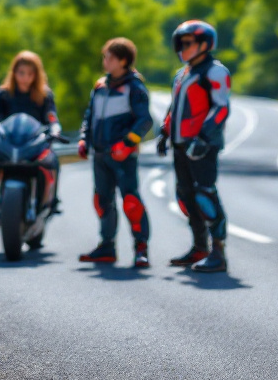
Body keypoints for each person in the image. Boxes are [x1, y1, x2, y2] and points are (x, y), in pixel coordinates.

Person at [156, 20, 232, 273]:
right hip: (180, 146)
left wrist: (204, 138)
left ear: (204, 44)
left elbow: (221, 109)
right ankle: (200, 248)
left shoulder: (214, 71)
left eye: (187, 43)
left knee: (205, 195)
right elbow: (174, 108)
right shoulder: (182, 73)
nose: (182, 47)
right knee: (186, 197)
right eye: (181, 43)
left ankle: (218, 253)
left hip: (202, 147)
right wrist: (164, 133)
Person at [78, 38, 153, 268]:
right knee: (103, 200)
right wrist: (84, 138)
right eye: (105, 57)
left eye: (109, 57)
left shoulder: (134, 86)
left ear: (123, 60)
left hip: (123, 157)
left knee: (130, 200)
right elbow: (90, 116)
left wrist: (128, 143)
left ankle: (141, 249)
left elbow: (145, 120)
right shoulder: (100, 85)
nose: (105, 61)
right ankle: (106, 247)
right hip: (100, 154)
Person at [0, 51, 63, 213]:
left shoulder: (45, 95)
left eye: (30, 74)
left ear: (37, 75)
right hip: (7, 143)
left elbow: (52, 118)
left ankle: (52, 201)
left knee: (52, 161)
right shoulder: (2, 94)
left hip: (34, 144)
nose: (25, 77)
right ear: (14, 73)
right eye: (21, 73)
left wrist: (55, 130)